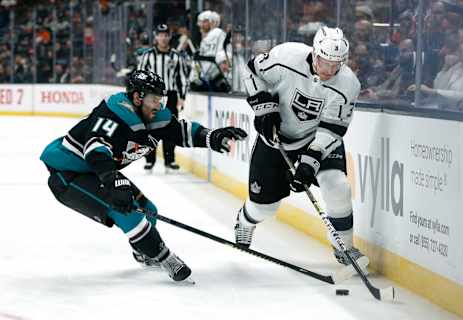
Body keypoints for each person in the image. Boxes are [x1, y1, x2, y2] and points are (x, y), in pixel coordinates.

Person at [40, 70, 247, 282]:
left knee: (149, 212)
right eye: (154, 99)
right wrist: (113, 181)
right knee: (126, 213)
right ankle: (165, 258)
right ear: (138, 97)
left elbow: (180, 131)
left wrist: (213, 136)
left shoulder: (153, 114)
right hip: (68, 174)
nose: (159, 104)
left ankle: (143, 252)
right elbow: (95, 150)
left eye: (160, 99)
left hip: (97, 172)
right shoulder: (112, 114)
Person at [235, 26, 369, 269]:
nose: (329, 70)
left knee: (337, 186)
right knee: (264, 208)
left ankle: (345, 248)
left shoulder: (348, 84)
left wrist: (309, 163)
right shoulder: (287, 56)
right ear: (314, 53)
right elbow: (251, 69)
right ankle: (245, 221)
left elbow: (332, 129)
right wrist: (263, 106)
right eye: (324, 61)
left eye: (335, 64)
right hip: (275, 137)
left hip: (313, 137)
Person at [137, 24, 188, 172]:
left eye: (166, 35)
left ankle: (169, 160)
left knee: (170, 127)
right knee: (150, 128)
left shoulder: (176, 56)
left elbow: (182, 78)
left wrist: (182, 96)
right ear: (156, 37)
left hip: (170, 95)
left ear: (169, 37)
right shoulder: (147, 55)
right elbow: (140, 74)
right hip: (151, 96)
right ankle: (149, 160)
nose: (163, 38)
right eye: (160, 35)